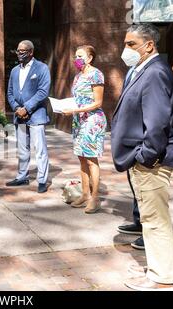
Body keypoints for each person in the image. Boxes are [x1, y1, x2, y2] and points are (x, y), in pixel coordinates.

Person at [111, 24, 173, 291]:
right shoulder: (142, 70)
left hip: (151, 163)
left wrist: (145, 158)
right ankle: (156, 270)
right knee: (151, 221)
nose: (125, 49)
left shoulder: (155, 73)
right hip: (143, 160)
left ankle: (162, 279)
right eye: (125, 43)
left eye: (131, 44)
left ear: (149, 45)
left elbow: (157, 125)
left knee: (155, 222)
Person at [61, 45, 107, 214]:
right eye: (75, 56)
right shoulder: (78, 76)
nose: (76, 59)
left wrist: (76, 110)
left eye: (80, 56)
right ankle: (85, 194)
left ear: (89, 58)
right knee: (81, 158)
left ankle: (95, 198)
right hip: (79, 121)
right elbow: (77, 99)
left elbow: (98, 102)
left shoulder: (96, 74)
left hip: (93, 121)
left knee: (91, 159)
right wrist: (67, 108)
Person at [6, 40, 51, 193]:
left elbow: (43, 92)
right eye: (18, 51)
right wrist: (17, 108)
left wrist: (27, 108)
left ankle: (42, 180)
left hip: (36, 116)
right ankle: (22, 177)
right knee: (22, 149)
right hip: (19, 116)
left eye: (23, 51)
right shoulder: (14, 71)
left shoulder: (42, 68)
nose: (19, 53)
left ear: (31, 52)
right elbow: (10, 93)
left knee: (40, 149)